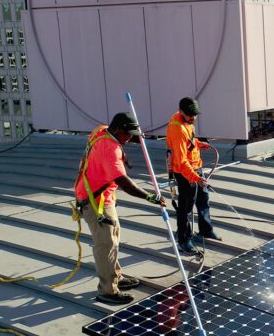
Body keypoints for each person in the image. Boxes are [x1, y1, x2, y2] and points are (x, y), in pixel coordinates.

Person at [74, 112, 166, 305]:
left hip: (98, 193)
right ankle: (108, 291)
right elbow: (123, 181)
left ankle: (116, 276)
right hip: (96, 201)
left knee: (113, 238)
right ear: (116, 129)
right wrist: (149, 197)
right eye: (127, 134)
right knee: (106, 244)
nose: (130, 138)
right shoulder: (111, 148)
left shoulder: (101, 130)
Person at [167, 97, 219, 255]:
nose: (193, 118)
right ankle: (184, 240)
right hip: (185, 172)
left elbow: (188, 141)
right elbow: (181, 161)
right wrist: (196, 178)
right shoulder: (177, 129)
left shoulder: (187, 123)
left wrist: (197, 143)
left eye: (195, 115)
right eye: (190, 115)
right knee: (186, 207)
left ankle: (205, 230)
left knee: (203, 200)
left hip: (196, 167)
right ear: (181, 112)